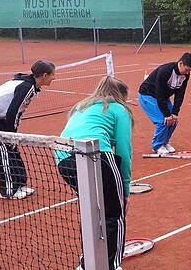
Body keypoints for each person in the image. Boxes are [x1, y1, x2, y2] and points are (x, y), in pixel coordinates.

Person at [56, 76, 134, 270]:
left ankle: (86, 264)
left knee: (91, 212)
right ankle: (112, 265)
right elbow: (124, 150)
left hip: (64, 160)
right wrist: (124, 189)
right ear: (121, 96)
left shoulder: (80, 107)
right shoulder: (119, 109)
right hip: (98, 157)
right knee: (114, 213)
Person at [0, 60, 56, 199]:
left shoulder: (31, 86)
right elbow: (12, 113)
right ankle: (8, 190)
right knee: (2, 147)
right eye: (52, 75)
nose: (54, 77)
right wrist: (10, 134)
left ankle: (19, 183)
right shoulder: (26, 87)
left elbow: (17, 112)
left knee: (11, 146)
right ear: (44, 75)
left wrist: (12, 135)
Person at [138, 52, 191, 155]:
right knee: (163, 121)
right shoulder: (165, 71)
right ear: (181, 63)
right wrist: (166, 114)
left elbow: (180, 94)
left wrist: (175, 112)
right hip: (148, 95)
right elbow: (159, 93)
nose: (188, 72)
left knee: (173, 120)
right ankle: (157, 146)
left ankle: (165, 142)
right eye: (187, 69)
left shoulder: (185, 75)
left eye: (190, 71)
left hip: (162, 97)